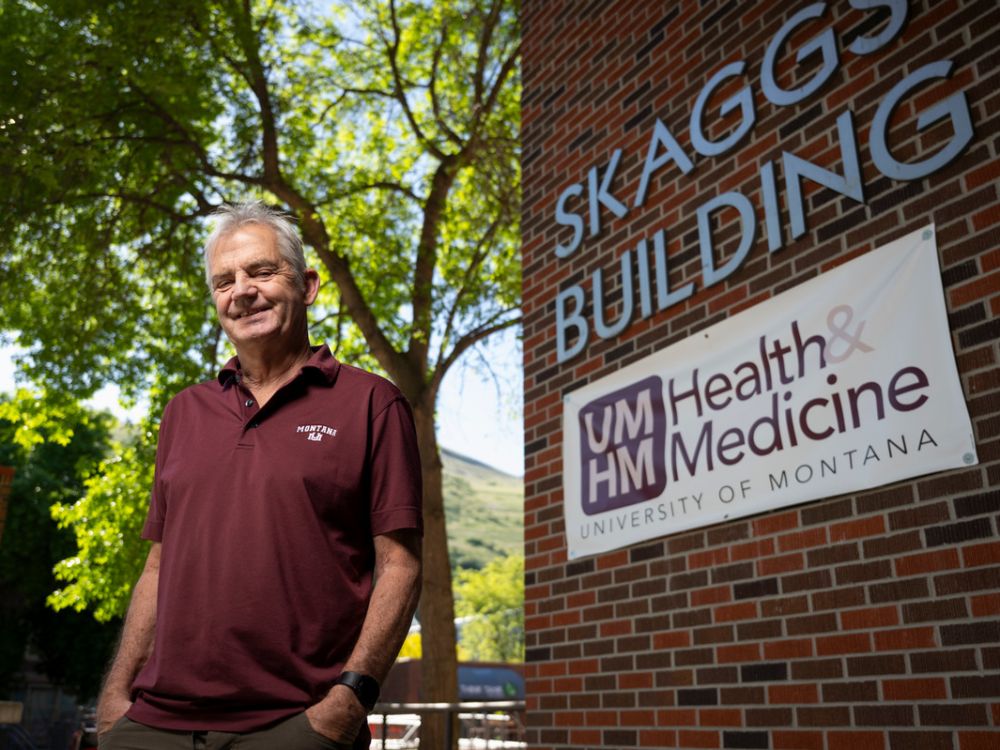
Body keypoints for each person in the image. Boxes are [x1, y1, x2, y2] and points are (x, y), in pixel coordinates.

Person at [95, 201, 423, 750]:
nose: (241, 291)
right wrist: (113, 698)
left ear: (309, 285)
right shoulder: (183, 413)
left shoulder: (372, 404)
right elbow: (158, 564)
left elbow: (400, 563)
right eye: (224, 281)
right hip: (152, 723)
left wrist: (350, 698)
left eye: (262, 272)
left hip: (293, 724)